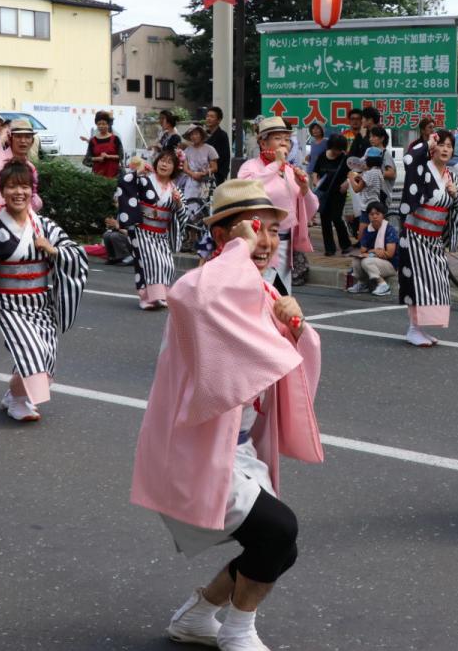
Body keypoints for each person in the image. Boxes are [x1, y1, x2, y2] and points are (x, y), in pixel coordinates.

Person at [130, 178, 322, 651]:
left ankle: (198, 616)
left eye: (274, 230)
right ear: (221, 238)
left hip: (233, 448)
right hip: (194, 448)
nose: (265, 240)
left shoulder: (258, 288)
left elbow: (282, 368)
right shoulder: (202, 285)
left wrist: (295, 328)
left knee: (279, 546)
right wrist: (239, 248)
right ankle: (237, 630)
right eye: (254, 229)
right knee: (278, 531)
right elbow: (194, 297)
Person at [0, 162, 88, 421]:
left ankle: (14, 395)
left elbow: (76, 252)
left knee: (45, 358)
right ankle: (19, 403)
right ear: (2, 190)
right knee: (31, 352)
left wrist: (53, 250)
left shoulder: (44, 226)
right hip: (6, 303)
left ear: (32, 191)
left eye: (23, 186)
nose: (18, 192)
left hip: (41, 303)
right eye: (11, 187)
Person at [398, 129, 458, 347]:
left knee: (437, 283)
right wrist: (427, 143)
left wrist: (454, 194)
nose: (445, 149)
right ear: (433, 148)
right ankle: (413, 328)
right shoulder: (421, 169)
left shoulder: (452, 177)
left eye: (449, 146)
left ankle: (420, 328)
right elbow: (409, 158)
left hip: (435, 239)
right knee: (417, 283)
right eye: (441, 144)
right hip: (415, 234)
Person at [237, 116, 319, 294]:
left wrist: (304, 188)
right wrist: (276, 165)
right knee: (258, 291)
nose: (284, 143)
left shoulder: (290, 170)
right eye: (278, 138)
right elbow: (247, 192)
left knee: (281, 295)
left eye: (287, 139)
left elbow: (310, 208)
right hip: (257, 240)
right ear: (263, 143)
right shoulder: (250, 167)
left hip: (284, 242)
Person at [117, 150, 188, 310]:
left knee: (167, 264)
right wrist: (137, 173)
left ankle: (161, 296)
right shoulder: (145, 180)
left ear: (175, 167)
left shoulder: (175, 190)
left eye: (169, 162)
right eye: (162, 160)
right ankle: (148, 298)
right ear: (156, 163)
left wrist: (178, 204)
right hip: (142, 229)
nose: (164, 164)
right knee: (150, 262)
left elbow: (183, 214)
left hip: (161, 233)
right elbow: (125, 184)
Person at [310, 133, 352, 257]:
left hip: (338, 193)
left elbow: (352, 173)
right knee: (325, 220)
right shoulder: (323, 156)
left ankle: (345, 245)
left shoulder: (345, 158)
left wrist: (347, 182)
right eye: (335, 149)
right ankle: (329, 248)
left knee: (337, 217)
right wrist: (315, 180)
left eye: (339, 149)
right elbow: (315, 172)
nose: (337, 152)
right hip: (323, 193)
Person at [347, 200, 398, 296]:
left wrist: (372, 252)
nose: (374, 216)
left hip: (391, 264)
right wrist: (374, 252)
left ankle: (383, 285)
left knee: (367, 261)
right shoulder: (368, 230)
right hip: (376, 259)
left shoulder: (389, 230)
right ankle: (363, 284)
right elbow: (363, 250)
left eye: (377, 214)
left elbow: (389, 254)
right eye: (371, 214)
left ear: (383, 215)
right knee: (357, 260)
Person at [347, 147, 385, 240]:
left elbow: (356, 189)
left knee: (362, 237)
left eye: (365, 161)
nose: (363, 163)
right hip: (375, 204)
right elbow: (369, 184)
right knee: (374, 233)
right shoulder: (378, 171)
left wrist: (351, 177)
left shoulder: (368, 174)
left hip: (367, 207)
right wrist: (360, 177)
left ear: (370, 161)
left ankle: (365, 251)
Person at [181, 124, 219, 203]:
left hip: (206, 181)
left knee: (205, 205)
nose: (194, 136)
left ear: (201, 135)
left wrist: (204, 173)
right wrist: (193, 174)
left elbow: (214, 167)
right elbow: (185, 168)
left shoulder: (210, 149)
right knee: (190, 203)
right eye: (191, 134)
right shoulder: (187, 150)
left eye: (196, 134)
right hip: (191, 181)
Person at [84, 111, 125, 180]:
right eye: (99, 124)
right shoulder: (93, 141)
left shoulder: (115, 138)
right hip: (97, 175)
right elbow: (87, 159)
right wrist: (97, 158)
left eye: (104, 124)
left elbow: (121, 156)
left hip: (114, 175)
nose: (101, 126)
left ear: (108, 124)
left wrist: (108, 156)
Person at [203, 106, 231, 182]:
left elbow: (224, 156)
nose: (208, 118)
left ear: (219, 120)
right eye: (207, 116)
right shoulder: (204, 135)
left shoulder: (222, 135)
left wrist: (221, 175)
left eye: (212, 117)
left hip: (217, 174)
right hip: (204, 173)